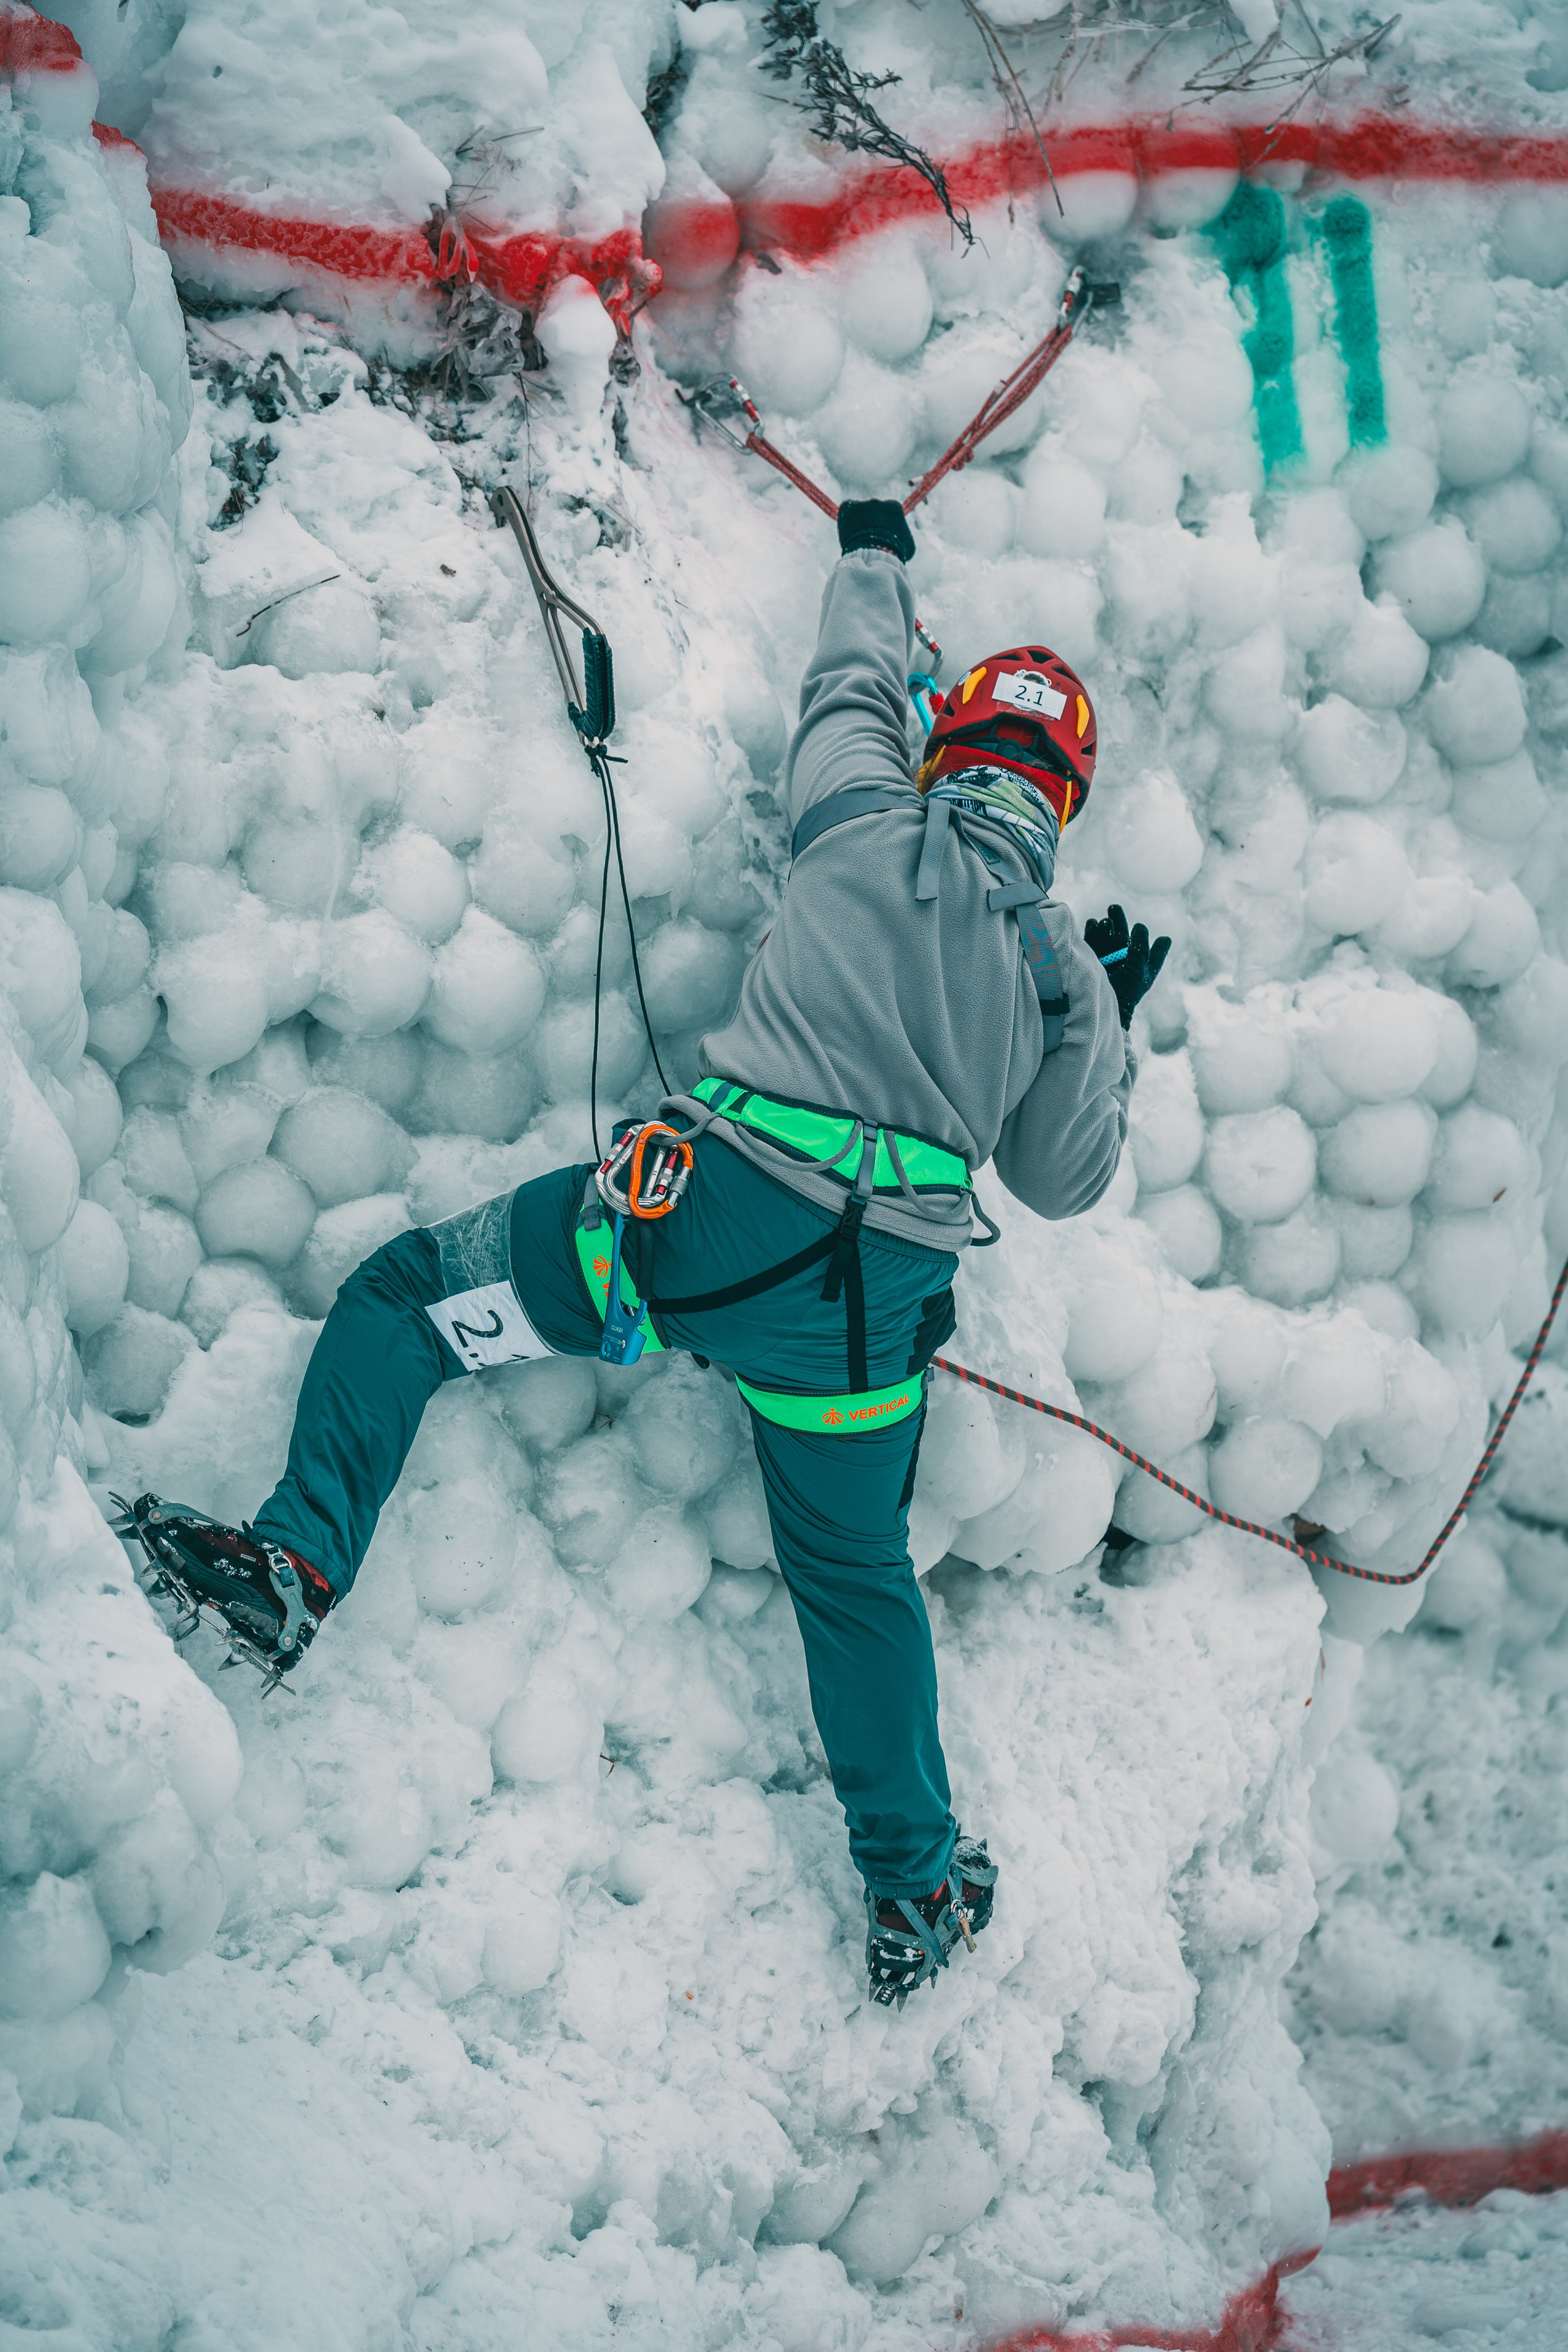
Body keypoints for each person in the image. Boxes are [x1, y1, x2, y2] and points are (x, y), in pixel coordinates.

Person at [118, 500, 1169, 2007]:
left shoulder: (862, 816)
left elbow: (848, 686)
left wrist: (874, 557)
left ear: (944, 747)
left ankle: (291, 1567)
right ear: (1063, 803)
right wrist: (1103, 1017)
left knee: (408, 1300)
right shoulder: (1055, 971)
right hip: (859, 1326)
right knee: (853, 1581)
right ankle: (916, 1890)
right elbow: (1062, 1178)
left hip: (701, 1229)